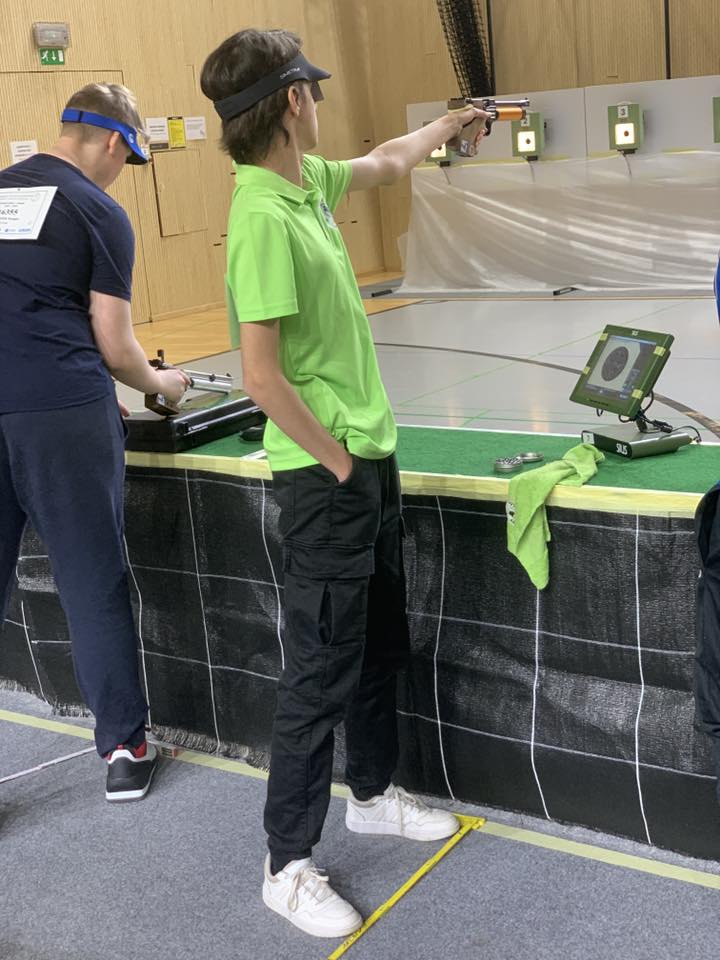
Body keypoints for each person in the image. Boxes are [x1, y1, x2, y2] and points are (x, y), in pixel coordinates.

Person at [201, 29, 487, 938]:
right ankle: (285, 864)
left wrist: (451, 124)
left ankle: (370, 794)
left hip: (367, 459)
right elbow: (259, 375)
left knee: (375, 646)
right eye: (312, 92)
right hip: (328, 477)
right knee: (320, 674)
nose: (319, 104)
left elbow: (389, 159)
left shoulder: (307, 185)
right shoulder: (261, 217)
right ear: (293, 101)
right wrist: (335, 461)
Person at [0, 83, 189, 802]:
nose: (119, 174)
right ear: (115, 142)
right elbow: (115, 345)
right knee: (90, 581)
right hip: (61, 414)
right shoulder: (97, 209)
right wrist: (164, 383)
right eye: (125, 160)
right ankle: (125, 751)